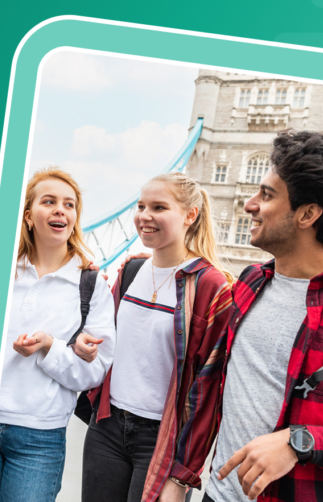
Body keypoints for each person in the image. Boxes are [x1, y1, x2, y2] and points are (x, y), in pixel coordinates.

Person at [204, 130, 323, 502]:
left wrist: (300, 442)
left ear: (307, 214)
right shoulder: (251, 281)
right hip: (218, 493)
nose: (250, 205)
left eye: (267, 195)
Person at [75, 172, 234, 502]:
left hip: (162, 440)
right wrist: (83, 342)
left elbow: (208, 389)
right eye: (141, 206)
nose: (144, 216)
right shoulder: (131, 271)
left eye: (159, 207)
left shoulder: (211, 287)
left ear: (190, 215)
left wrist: (182, 474)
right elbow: (105, 342)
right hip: (106, 426)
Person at [0, 167, 116, 502]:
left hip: (40, 440)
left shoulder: (91, 286)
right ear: (29, 216)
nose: (61, 209)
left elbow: (93, 374)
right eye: (49, 201)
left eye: (69, 204)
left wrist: (49, 347)